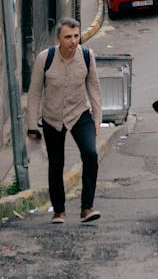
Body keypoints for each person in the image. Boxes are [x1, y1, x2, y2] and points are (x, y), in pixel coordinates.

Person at [26, 18, 102, 225]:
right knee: (56, 163)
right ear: (58, 38)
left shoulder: (87, 56)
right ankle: (58, 211)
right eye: (68, 37)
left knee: (90, 153)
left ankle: (87, 208)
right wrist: (32, 126)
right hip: (52, 117)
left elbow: (94, 88)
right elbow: (34, 93)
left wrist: (97, 118)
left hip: (79, 113)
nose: (73, 41)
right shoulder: (45, 58)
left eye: (76, 36)